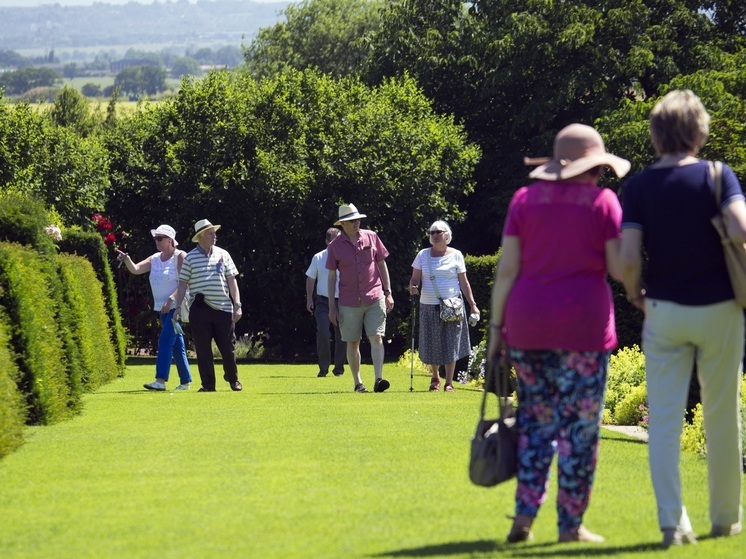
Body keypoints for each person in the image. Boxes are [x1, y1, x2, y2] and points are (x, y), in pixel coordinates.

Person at [487, 123, 630, 544]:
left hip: (528, 326)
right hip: (583, 328)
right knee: (579, 430)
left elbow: (507, 269)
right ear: (592, 168)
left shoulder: (524, 200)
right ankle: (570, 525)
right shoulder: (604, 203)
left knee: (535, 424)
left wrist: (496, 329)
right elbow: (620, 269)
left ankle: (524, 517)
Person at [619, 90, 745, 548]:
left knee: (666, 421)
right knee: (722, 415)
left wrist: (636, 294)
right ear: (699, 131)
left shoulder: (637, 188)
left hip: (665, 309)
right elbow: (740, 228)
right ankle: (726, 520)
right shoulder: (718, 176)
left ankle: (673, 524)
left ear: (655, 135)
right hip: (721, 308)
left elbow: (628, 255)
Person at [326, 203, 394, 393]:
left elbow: (382, 265)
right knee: (353, 342)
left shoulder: (372, 237)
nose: (357, 223)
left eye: (358, 219)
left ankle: (379, 378)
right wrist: (332, 306)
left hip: (374, 296)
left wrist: (388, 292)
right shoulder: (334, 246)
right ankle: (358, 383)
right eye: (352, 220)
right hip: (348, 301)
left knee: (377, 337)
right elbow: (331, 277)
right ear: (343, 224)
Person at [117, 224, 192, 391]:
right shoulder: (155, 258)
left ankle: (160, 380)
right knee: (176, 344)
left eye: (160, 238)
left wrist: (171, 300)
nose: (156, 241)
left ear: (170, 240)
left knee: (165, 341)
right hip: (162, 309)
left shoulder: (180, 257)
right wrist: (126, 259)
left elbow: (185, 283)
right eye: (155, 238)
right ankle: (185, 381)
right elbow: (136, 269)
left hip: (176, 307)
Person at [408, 220, 479, 391]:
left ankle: (449, 382)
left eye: (437, 232)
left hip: (452, 305)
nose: (434, 235)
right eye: (431, 233)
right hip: (428, 305)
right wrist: (413, 286)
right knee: (432, 342)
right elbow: (415, 278)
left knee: (451, 343)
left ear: (446, 235)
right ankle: (435, 377)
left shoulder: (456, 255)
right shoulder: (422, 255)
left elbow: (464, 283)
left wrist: (473, 305)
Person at [173, 219, 243, 392]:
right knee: (203, 350)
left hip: (223, 309)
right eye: (211, 233)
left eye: (214, 232)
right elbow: (182, 284)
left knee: (228, 348)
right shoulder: (190, 258)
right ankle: (208, 385)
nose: (215, 236)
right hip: (200, 309)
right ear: (201, 236)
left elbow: (232, 281)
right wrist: (177, 308)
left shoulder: (223, 254)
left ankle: (233, 379)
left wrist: (237, 304)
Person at [306, 227, 347, 377]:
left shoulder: (345, 257)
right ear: (326, 242)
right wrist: (309, 298)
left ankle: (339, 368)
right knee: (323, 331)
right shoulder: (318, 257)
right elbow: (311, 278)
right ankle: (323, 367)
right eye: (333, 242)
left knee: (342, 335)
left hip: (342, 300)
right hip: (323, 301)